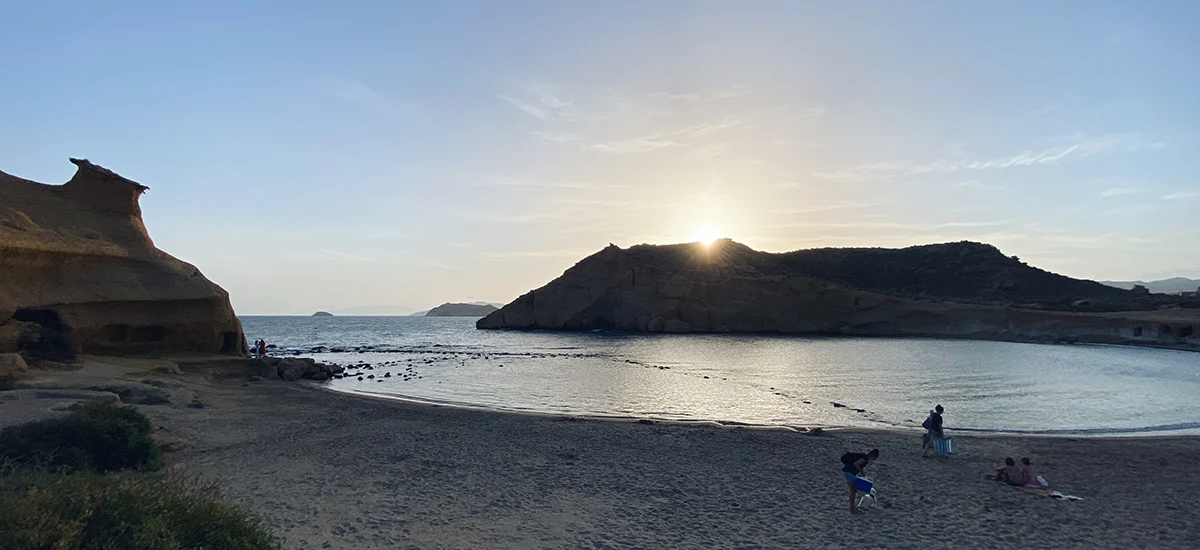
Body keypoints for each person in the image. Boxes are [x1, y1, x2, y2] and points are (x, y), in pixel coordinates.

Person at [841, 448, 880, 515]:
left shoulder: (863, 457)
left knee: (854, 490)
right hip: (849, 472)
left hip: (850, 473)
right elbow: (856, 464)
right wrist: (861, 472)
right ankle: (852, 509)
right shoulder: (865, 458)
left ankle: (853, 507)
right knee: (852, 491)